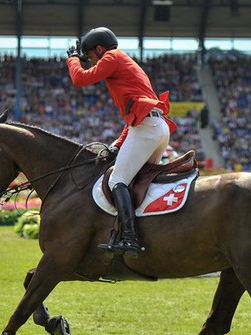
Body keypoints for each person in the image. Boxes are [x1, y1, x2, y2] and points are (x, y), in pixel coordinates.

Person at [66, 26, 176, 258]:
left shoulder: (112, 56)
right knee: (138, 180)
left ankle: (130, 238)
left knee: (118, 180)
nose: (91, 62)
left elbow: (80, 79)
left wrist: (73, 60)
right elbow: (136, 113)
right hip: (155, 127)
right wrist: (118, 144)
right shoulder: (124, 62)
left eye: (90, 57)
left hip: (147, 128)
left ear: (98, 49)